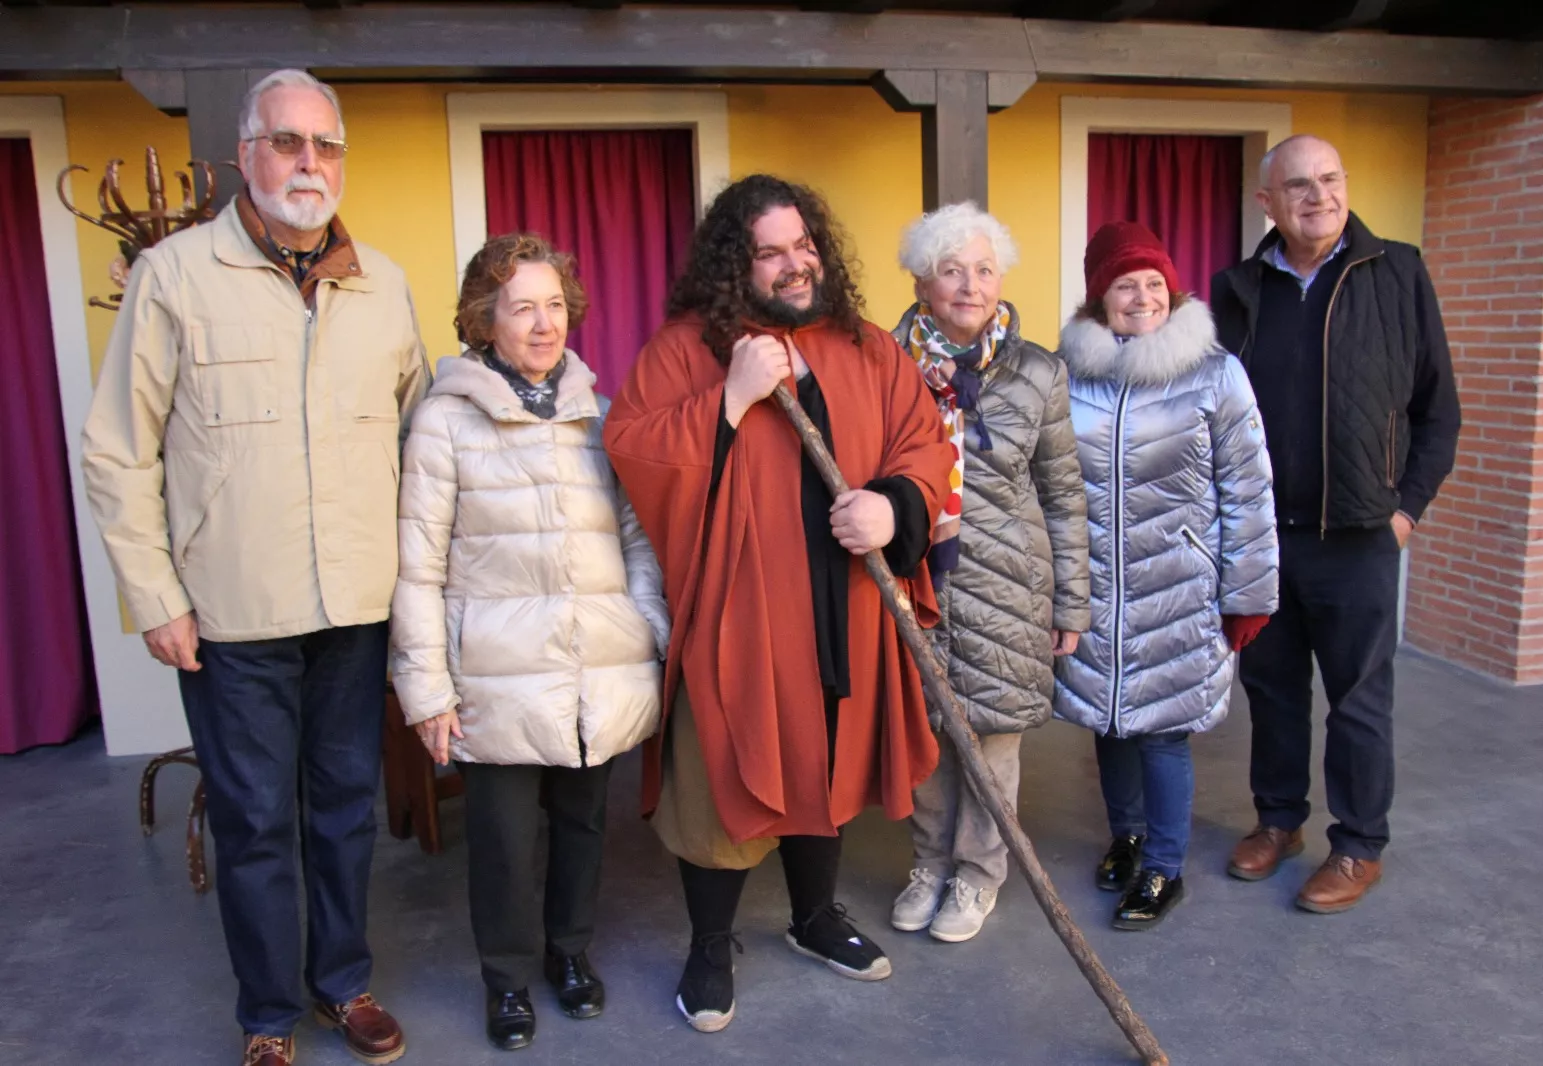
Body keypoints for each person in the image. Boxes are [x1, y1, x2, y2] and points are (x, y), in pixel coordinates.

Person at [81, 69, 428, 1066]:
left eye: (324, 145)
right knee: (255, 822)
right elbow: (117, 447)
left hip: (357, 608)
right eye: (286, 142)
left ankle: (343, 984)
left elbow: (419, 440)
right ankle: (269, 1013)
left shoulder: (385, 287)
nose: (307, 163)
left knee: (347, 811)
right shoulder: (175, 276)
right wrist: (154, 593)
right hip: (231, 617)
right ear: (246, 154)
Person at [603, 174, 952, 1034]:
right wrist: (727, 399)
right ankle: (711, 944)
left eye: (805, 246)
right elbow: (634, 448)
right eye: (771, 253)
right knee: (726, 769)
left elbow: (924, 445)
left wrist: (894, 507)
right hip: (742, 616)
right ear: (736, 263)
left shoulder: (866, 345)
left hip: (847, 607)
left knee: (824, 759)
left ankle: (814, 917)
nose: (797, 266)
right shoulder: (689, 349)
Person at [390, 233, 670, 1051]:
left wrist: (645, 627)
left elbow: (636, 538)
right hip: (494, 674)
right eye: (523, 308)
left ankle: (570, 955)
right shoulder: (444, 422)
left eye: (555, 306)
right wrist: (429, 689)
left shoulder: (599, 411)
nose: (545, 325)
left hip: (596, 663)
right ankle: (507, 980)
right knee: (505, 843)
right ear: (486, 320)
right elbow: (417, 565)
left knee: (584, 824)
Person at [1211, 135, 1460, 913]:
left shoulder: (1398, 273)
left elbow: (1437, 410)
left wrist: (1404, 512)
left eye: (1330, 180)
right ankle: (1278, 818)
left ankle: (1357, 844)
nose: (1318, 196)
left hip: (1358, 537)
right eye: (1298, 186)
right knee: (1274, 689)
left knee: (1358, 697)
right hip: (1264, 536)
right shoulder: (1239, 288)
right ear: (1267, 204)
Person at [1055, 221, 1279, 930]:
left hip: (1181, 590)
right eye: (1126, 284)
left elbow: (1249, 489)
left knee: (1161, 731)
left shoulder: (1215, 373)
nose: (1143, 297)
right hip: (1095, 589)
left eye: (1154, 282)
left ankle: (1165, 867)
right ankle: (1127, 837)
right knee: (1110, 720)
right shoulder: (1069, 375)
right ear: (1100, 297)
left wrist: (1247, 594)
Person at [885, 202, 1089, 944]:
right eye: (951, 269)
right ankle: (930, 864)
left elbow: (1065, 493)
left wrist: (1072, 603)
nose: (969, 284)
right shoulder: (886, 365)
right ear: (920, 280)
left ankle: (977, 876)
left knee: (994, 737)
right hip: (918, 582)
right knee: (926, 736)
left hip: (1008, 583)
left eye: (983, 269)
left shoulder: (1039, 372)